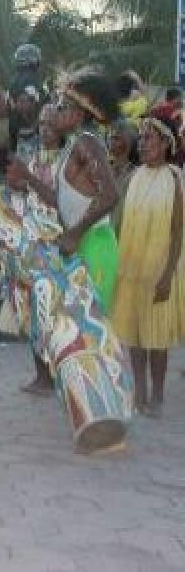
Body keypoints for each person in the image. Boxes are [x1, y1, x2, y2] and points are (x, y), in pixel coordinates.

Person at [12, 67, 120, 315]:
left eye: (62, 107)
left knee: (90, 338)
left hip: (94, 243)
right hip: (83, 241)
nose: (56, 111)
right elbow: (59, 201)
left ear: (79, 113)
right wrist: (28, 178)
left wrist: (75, 233)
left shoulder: (86, 142)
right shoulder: (74, 144)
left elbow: (110, 195)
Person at [111, 113, 185, 417]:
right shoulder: (134, 177)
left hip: (159, 270)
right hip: (131, 268)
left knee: (156, 337)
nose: (142, 144)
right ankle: (138, 391)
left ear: (166, 143)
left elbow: (178, 231)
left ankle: (157, 395)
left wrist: (167, 274)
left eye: (149, 138)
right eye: (141, 138)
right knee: (135, 334)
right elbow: (120, 223)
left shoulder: (175, 179)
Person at [108, 120, 138, 189]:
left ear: (129, 143)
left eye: (116, 138)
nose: (111, 142)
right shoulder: (103, 167)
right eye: (111, 137)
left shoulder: (135, 173)